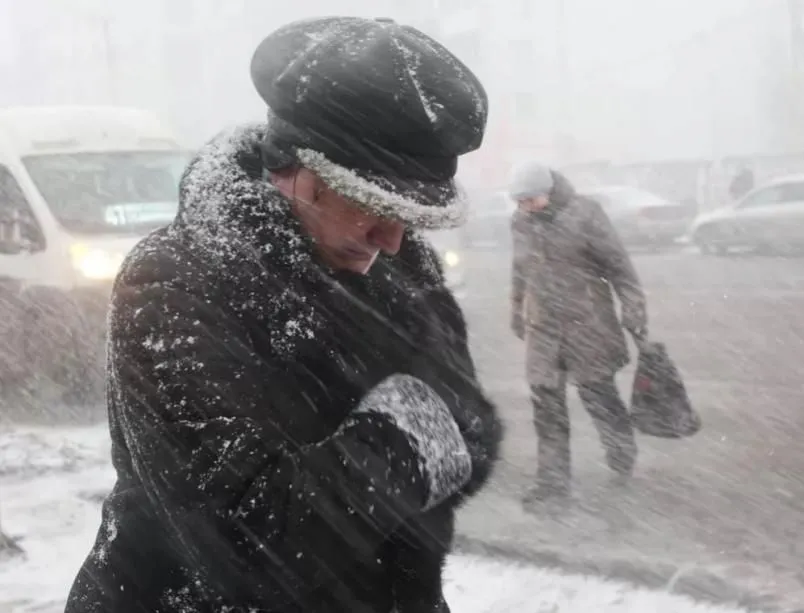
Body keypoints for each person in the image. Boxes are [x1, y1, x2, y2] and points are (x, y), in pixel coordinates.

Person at [65, 16, 502, 613]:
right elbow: (243, 549)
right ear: (294, 167)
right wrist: (405, 441)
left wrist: (396, 452)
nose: (394, 239)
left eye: (412, 215)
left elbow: (472, 430)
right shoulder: (174, 281)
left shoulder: (396, 265)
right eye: (373, 203)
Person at [509, 162, 647, 515]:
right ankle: (552, 482)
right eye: (520, 201)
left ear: (549, 192)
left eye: (531, 199)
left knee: (598, 395)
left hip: (587, 324)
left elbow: (620, 267)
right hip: (543, 328)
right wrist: (516, 308)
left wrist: (633, 309)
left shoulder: (586, 215)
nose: (525, 207)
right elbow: (520, 269)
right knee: (546, 405)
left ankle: (621, 454)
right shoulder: (521, 221)